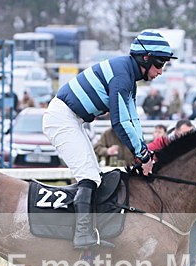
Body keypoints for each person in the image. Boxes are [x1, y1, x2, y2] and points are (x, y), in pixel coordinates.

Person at [43, 30, 174, 249]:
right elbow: (121, 123)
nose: (161, 71)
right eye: (160, 64)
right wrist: (143, 156)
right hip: (62, 118)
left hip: (72, 119)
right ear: (145, 58)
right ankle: (82, 235)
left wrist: (145, 151)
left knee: (95, 175)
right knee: (88, 175)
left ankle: (91, 228)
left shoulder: (127, 75)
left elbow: (133, 119)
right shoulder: (122, 77)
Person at [146, 120, 196, 266]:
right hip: (165, 204)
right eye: (183, 135)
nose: (186, 139)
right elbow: (141, 157)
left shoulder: (195, 149)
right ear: (175, 132)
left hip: (190, 205)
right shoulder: (162, 144)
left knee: (191, 242)